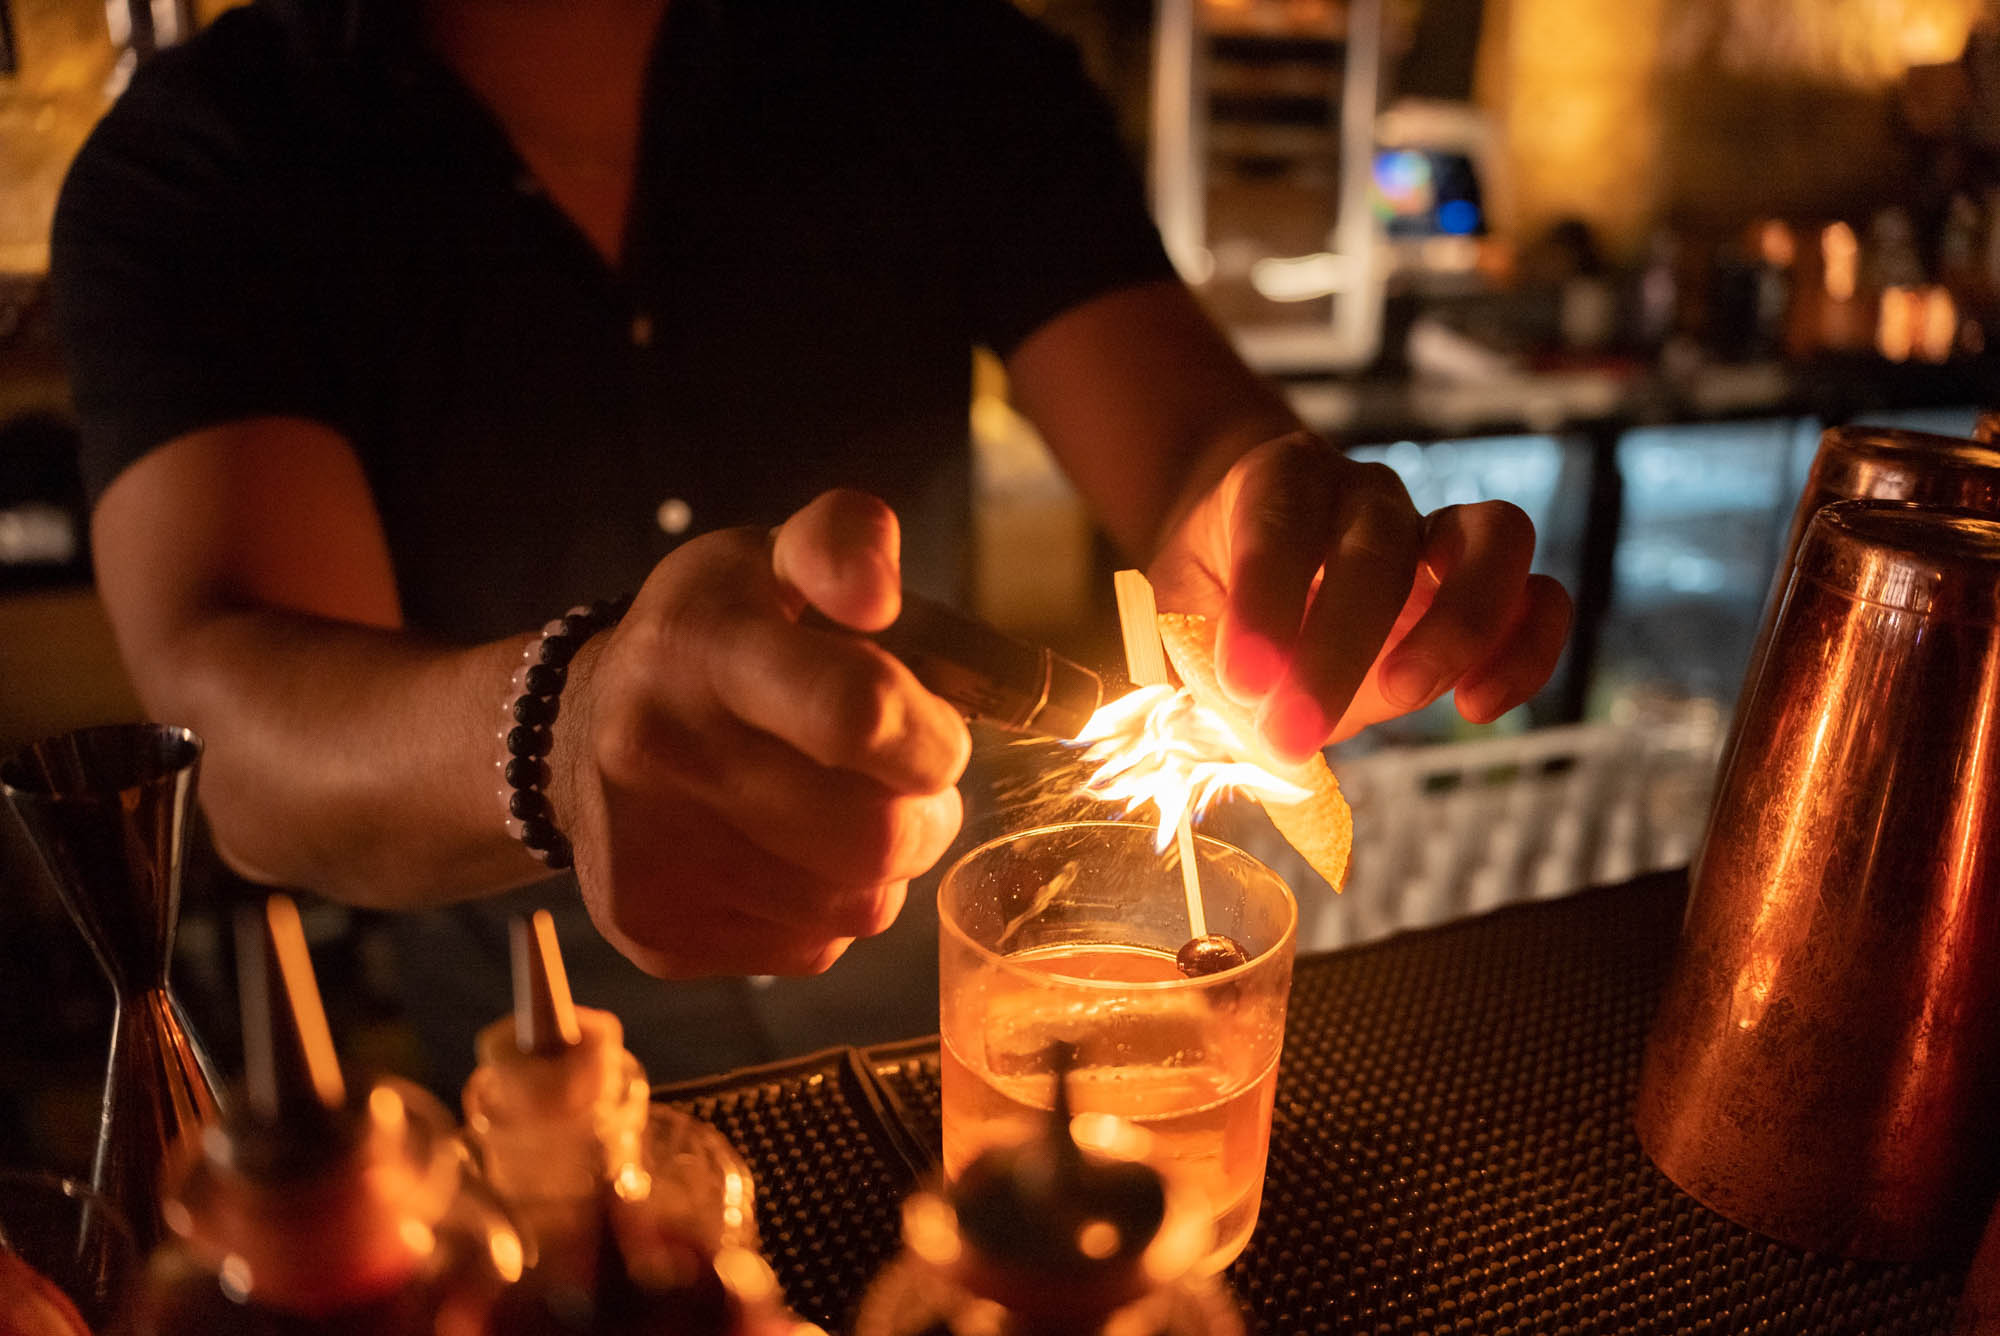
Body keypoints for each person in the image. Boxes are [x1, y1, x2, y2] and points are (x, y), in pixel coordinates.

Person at [49, 0, 1570, 1091]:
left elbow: (1186, 447)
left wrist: (1270, 528)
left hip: (957, 1032)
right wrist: (564, 738)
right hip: (555, 1077)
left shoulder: (946, 63)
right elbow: (230, 721)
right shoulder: (204, 167)